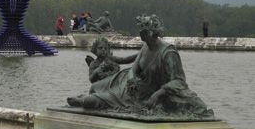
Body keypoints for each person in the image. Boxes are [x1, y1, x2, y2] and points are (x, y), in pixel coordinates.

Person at [67, 14, 213, 117]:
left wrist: (158, 94)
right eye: (141, 31)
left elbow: (179, 81)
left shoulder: (168, 53)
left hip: (144, 93)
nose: (140, 34)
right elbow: (134, 68)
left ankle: (83, 100)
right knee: (93, 87)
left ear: (152, 33)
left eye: (143, 31)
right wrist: (131, 79)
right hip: (128, 83)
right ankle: (89, 96)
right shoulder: (145, 47)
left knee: (90, 101)